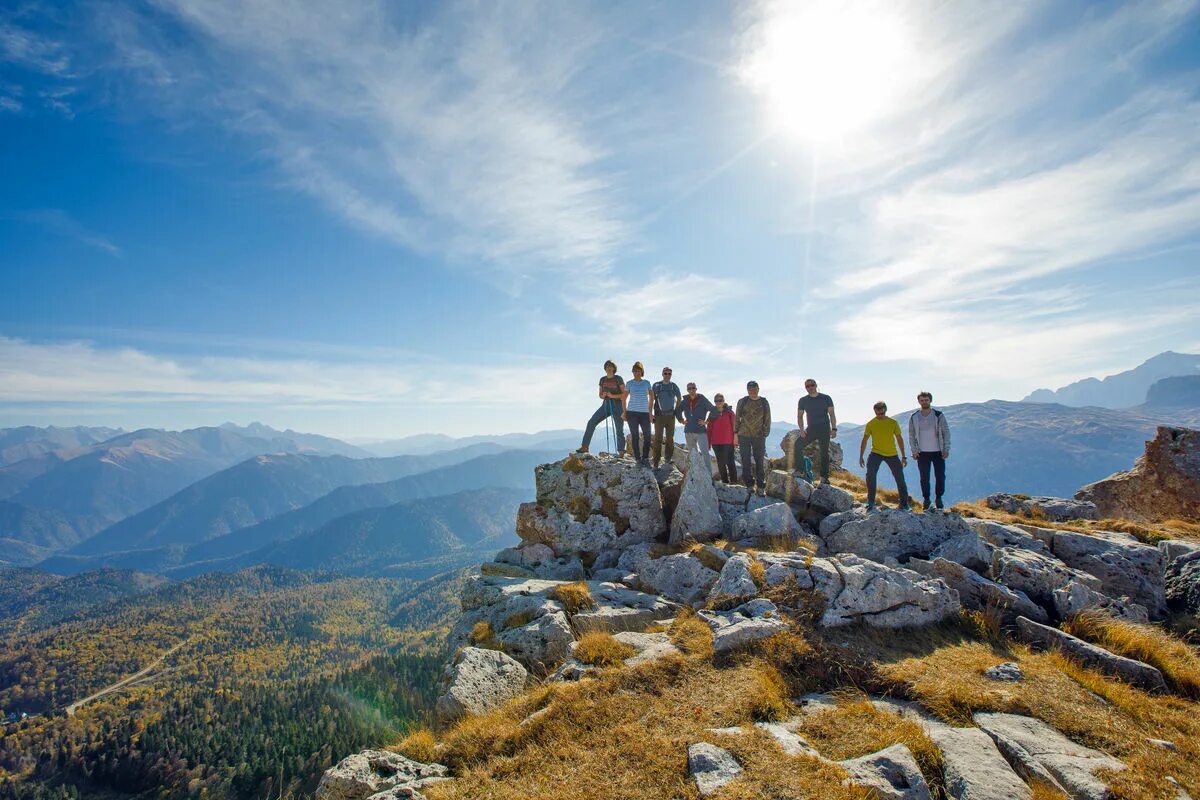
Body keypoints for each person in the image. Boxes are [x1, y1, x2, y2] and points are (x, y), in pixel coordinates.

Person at [859, 401, 910, 511]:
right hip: (875, 453)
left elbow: (900, 439)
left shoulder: (893, 423)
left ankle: (904, 504)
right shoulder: (871, 423)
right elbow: (865, 440)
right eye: (878, 414)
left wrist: (903, 456)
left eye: (882, 413)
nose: (880, 416)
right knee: (870, 476)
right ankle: (871, 501)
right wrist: (861, 456)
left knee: (900, 478)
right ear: (875, 412)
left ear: (885, 411)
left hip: (892, 454)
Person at [907, 390, 951, 511]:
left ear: (930, 400)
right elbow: (911, 435)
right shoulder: (914, 417)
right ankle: (926, 500)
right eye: (922, 400)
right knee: (924, 477)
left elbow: (946, 432)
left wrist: (946, 449)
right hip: (922, 453)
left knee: (940, 476)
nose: (924, 402)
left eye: (926, 400)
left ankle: (938, 498)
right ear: (919, 401)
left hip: (938, 452)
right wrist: (914, 450)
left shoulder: (938, 415)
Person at [578, 360, 626, 454]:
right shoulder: (602, 380)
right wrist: (603, 395)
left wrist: (612, 396)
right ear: (605, 368)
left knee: (619, 429)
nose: (608, 368)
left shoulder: (618, 378)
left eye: (610, 366)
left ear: (614, 368)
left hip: (618, 405)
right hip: (606, 404)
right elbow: (599, 394)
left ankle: (621, 451)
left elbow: (624, 394)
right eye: (607, 366)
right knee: (591, 422)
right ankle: (585, 447)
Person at [797, 379, 837, 484]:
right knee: (797, 445)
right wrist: (801, 430)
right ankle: (801, 471)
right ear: (805, 388)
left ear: (816, 385)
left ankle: (824, 477)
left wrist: (834, 429)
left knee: (824, 452)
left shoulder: (826, 398)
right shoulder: (803, 400)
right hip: (811, 428)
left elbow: (832, 414)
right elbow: (800, 416)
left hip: (824, 428)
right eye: (807, 386)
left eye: (812, 385)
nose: (810, 387)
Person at [735, 380, 772, 496]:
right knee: (745, 460)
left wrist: (765, 433)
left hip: (759, 436)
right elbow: (737, 418)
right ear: (747, 390)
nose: (752, 391)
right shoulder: (742, 401)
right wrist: (735, 433)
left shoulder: (764, 402)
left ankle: (761, 486)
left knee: (759, 461)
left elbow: (768, 418)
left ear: (758, 389)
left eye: (754, 389)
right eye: (750, 389)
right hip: (744, 435)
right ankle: (749, 485)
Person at [623, 362, 654, 466]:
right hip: (632, 413)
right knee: (635, 436)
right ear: (633, 372)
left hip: (645, 413)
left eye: (638, 371)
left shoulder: (647, 383)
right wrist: (624, 412)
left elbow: (652, 397)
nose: (637, 373)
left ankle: (645, 457)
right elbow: (624, 398)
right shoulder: (629, 383)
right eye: (635, 371)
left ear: (642, 372)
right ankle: (637, 458)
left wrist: (650, 412)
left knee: (647, 436)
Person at [651, 366, 682, 468]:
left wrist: (676, 409)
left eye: (669, 374)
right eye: (665, 373)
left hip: (670, 416)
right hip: (659, 416)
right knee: (658, 439)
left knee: (670, 438)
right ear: (662, 374)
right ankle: (656, 461)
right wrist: (650, 414)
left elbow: (679, 398)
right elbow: (651, 399)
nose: (667, 375)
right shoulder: (656, 385)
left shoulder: (673, 386)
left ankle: (668, 459)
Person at [676, 382, 714, 458]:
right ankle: (696, 470)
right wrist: (681, 420)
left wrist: (706, 421)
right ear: (687, 390)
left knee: (705, 453)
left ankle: (708, 470)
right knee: (693, 455)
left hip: (701, 431)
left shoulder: (702, 399)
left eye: (693, 388)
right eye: (689, 388)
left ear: (696, 389)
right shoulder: (685, 401)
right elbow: (677, 411)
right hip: (689, 431)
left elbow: (713, 410)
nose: (691, 390)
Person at [706, 393, 737, 483]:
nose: (718, 402)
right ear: (714, 402)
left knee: (730, 462)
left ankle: (734, 482)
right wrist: (708, 443)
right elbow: (709, 429)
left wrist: (735, 439)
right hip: (716, 442)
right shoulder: (712, 414)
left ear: (724, 401)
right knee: (721, 463)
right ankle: (725, 482)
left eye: (720, 400)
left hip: (728, 441)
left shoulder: (730, 413)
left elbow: (735, 427)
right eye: (716, 401)